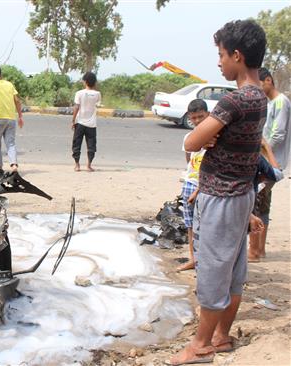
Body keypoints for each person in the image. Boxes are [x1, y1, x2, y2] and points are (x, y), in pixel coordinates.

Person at [171, 19, 268, 366]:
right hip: (242, 195)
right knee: (234, 269)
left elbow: (191, 140)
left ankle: (199, 346)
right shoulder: (260, 98)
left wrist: (204, 137)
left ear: (237, 56)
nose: (219, 62)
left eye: (221, 54)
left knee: (213, 270)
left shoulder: (235, 101)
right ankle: (221, 335)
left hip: (221, 198)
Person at [247, 67, 291, 261]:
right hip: (267, 160)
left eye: (259, 84)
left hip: (271, 162)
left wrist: (263, 150)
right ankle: (259, 249)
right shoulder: (270, 102)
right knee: (262, 204)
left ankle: (255, 251)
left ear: (268, 81)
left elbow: (278, 134)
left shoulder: (281, 102)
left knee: (257, 204)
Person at [176, 99, 209, 272]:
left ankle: (206, 262)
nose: (197, 121)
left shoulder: (215, 136)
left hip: (207, 186)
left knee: (206, 224)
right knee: (190, 224)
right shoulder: (188, 137)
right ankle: (193, 259)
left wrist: (200, 187)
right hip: (190, 182)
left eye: (201, 117)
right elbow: (189, 161)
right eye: (194, 117)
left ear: (208, 115)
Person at [71, 72, 101, 172]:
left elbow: (76, 107)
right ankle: (88, 165)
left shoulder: (79, 93)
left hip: (79, 122)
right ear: (94, 82)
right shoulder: (98, 94)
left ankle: (77, 165)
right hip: (92, 124)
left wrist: (72, 120)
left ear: (85, 82)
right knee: (91, 145)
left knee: (76, 144)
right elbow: (97, 105)